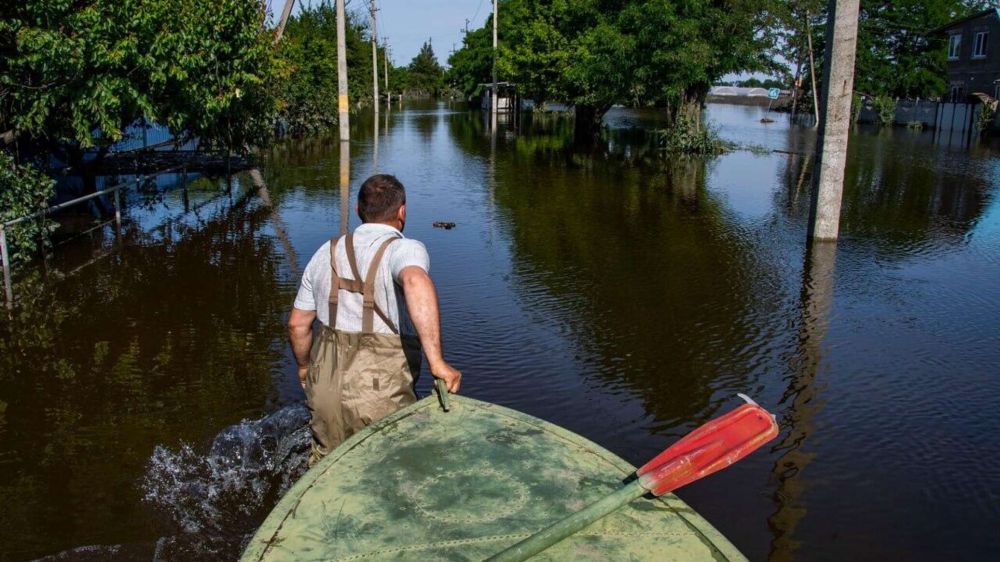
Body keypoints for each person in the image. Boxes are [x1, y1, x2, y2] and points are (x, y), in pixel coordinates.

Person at [287, 174, 462, 465]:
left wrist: (305, 367)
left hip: (324, 388)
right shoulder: (403, 249)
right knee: (391, 469)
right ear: (402, 212)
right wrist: (437, 362)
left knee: (327, 469)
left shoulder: (324, 252)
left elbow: (297, 324)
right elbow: (416, 281)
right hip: (379, 392)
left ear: (358, 210)